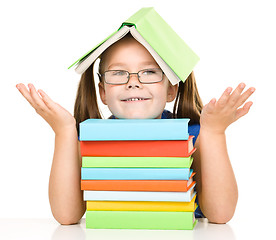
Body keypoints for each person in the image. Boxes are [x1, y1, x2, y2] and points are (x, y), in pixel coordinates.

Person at [16, 33, 255, 225]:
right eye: (118, 73)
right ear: (103, 92)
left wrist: (214, 133)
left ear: (171, 89)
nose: (133, 82)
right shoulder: (87, 141)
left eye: (149, 72)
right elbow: (66, 217)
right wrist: (64, 131)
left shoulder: (194, 136)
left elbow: (221, 215)